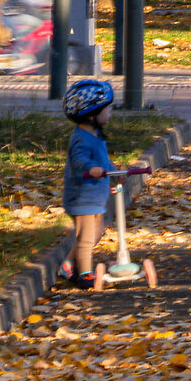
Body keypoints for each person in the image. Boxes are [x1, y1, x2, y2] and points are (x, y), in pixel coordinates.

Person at [60, 78, 155, 289]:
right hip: (82, 197)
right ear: (91, 114)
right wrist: (90, 168)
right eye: (107, 109)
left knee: (94, 233)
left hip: (95, 196)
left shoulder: (96, 136)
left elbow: (103, 160)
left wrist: (114, 171)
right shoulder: (81, 138)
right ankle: (85, 274)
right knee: (86, 238)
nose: (110, 113)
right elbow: (79, 160)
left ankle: (67, 264)